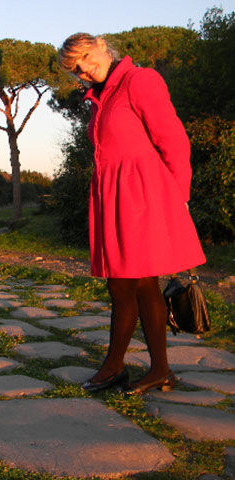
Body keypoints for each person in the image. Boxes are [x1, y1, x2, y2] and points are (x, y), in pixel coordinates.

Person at [58, 33, 206, 395]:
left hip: (144, 194)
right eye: (77, 69)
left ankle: (136, 368)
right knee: (125, 284)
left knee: (136, 282)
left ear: (102, 46)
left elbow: (173, 139)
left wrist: (179, 194)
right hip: (113, 197)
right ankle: (139, 369)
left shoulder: (140, 80)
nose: (85, 71)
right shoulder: (98, 98)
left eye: (87, 59)